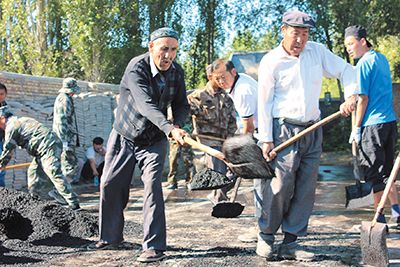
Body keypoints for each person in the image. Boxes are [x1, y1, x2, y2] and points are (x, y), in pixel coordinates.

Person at [257, 10, 358, 260]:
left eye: (304, 34)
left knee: (306, 187)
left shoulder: (317, 51)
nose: (300, 40)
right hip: (283, 130)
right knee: (278, 185)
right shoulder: (272, 61)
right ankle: (266, 236)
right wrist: (266, 139)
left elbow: (347, 71)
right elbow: (264, 103)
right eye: (295, 34)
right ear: (283, 31)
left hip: (313, 129)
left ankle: (292, 242)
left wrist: (350, 96)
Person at [88, 27, 189, 263]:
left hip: (154, 141)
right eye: (164, 49)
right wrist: (169, 127)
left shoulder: (176, 72)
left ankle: (153, 246)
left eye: (173, 50)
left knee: (152, 186)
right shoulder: (136, 68)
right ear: (151, 47)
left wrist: (179, 124)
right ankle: (110, 238)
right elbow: (146, 105)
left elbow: (182, 105)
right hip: (125, 135)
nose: (169, 56)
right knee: (111, 185)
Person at [344, 25, 399, 226]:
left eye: (351, 43)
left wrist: (356, 128)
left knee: (374, 173)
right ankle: (397, 211)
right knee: (388, 170)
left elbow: (363, 99)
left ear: (363, 41)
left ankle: (379, 218)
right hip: (389, 122)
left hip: (372, 126)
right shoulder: (381, 59)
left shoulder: (363, 64)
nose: (349, 49)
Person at [211, 58, 261, 242]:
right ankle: (264, 226)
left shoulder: (243, 91)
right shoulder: (241, 82)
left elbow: (248, 126)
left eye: (223, 77)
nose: (221, 82)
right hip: (258, 133)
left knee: (261, 185)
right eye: (217, 79)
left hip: (260, 136)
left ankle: (261, 229)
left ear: (233, 72)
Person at [0, 106, 80, 210]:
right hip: (42, 151)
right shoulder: (23, 120)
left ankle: (73, 202)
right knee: (33, 173)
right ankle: (34, 201)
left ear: (2, 118)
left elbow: (8, 150)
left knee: (53, 173)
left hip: (48, 147)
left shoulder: (11, 127)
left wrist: (1, 165)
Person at [188, 64, 237, 204]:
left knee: (236, 170)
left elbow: (232, 121)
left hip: (226, 140)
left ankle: (218, 193)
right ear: (210, 77)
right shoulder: (197, 96)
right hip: (208, 141)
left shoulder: (226, 97)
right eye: (218, 77)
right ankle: (220, 200)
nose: (222, 80)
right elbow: (180, 114)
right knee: (218, 169)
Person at [50, 77, 81, 202]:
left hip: (65, 137)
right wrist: (66, 142)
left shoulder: (62, 98)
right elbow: (62, 121)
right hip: (65, 138)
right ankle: (59, 191)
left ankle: (62, 191)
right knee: (70, 166)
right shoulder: (65, 100)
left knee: (67, 166)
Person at [165, 114, 195, 190]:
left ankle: (190, 181)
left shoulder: (187, 104)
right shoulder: (168, 106)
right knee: (173, 159)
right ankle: (172, 181)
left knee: (188, 159)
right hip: (174, 136)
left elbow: (196, 114)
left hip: (186, 134)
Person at [0, 83, 8, 187]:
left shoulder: (4, 106)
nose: (0, 96)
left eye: (2, 94)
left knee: (1, 169)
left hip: (1, 141)